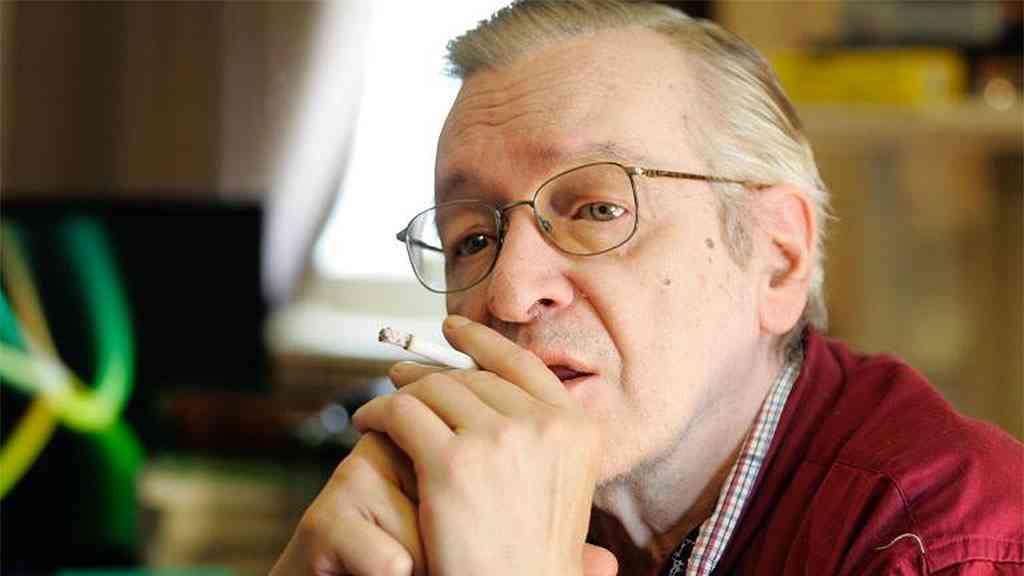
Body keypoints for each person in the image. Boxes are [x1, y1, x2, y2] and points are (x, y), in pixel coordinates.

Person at [272, 1, 1024, 574]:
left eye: (597, 210)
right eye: (472, 238)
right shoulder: (464, 500)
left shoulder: (947, 547)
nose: (509, 295)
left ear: (778, 257)